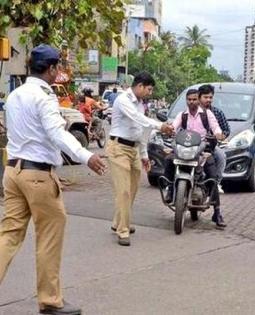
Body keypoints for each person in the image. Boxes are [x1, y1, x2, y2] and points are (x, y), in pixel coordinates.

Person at [0, 44, 106, 315]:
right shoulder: (44, 97)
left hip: (12, 172)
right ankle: (50, 300)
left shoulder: (15, 95)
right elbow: (57, 133)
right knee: (49, 236)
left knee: (9, 235)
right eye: (57, 67)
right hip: (38, 176)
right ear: (51, 69)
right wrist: (86, 156)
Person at [107, 71, 173, 246]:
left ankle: (118, 221)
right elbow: (138, 119)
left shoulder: (141, 105)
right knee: (124, 191)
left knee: (133, 189)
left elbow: (142, 131)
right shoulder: (123, 100)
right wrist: (161, 126)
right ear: (140, 86)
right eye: (149, 89)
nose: (149, 93)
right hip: (118, 148)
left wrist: (144, 155)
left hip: (134, 149)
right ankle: (123, 230)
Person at [164, 89, 227, 228]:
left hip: (202, 150)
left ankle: (217, 212)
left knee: (212, 177)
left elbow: (216, 127)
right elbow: (174, 127)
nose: (192, 102)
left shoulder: (206, 114)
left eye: (194, 99)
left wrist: (218, 134)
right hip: (184, 149)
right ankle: (170, 189)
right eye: (189, 100)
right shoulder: (182, 115)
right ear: (186, 101)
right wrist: (169, 130)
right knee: (168, 160)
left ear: (198, 100)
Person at [198, 84, 230, 193]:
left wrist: (221, 136)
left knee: (221, 156)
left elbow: (225, 130)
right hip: (193, 146)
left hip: (211, 147)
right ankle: (173, 186)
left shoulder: (217, 113)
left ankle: (216, 183)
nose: (208, 100)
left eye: (210, 97)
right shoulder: (191, 113)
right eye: (205, 97)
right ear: (199, 97)